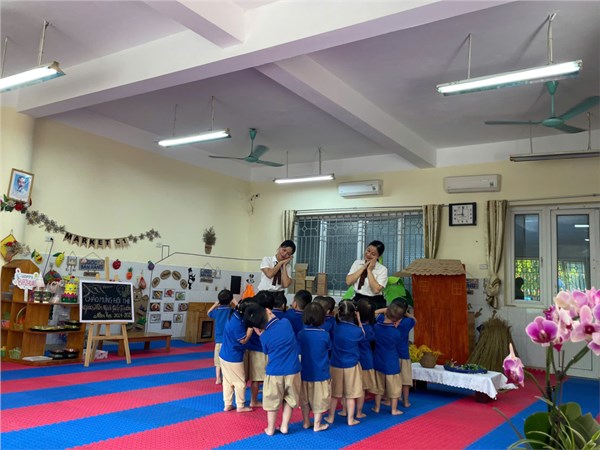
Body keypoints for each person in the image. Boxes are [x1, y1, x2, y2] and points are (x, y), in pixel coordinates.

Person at [244, 303, 302, 436]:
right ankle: (285, 426)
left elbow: (266, 351)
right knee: (290, 399)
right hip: (293, 370)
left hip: (274, 372)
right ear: (268, 311)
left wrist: (261, 335)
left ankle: (270, 428)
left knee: (272, 401)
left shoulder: (264, 337)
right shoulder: (286, 323)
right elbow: (277, 322)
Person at [326, 301, 365, 427]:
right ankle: (350, 419)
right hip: (351, 366)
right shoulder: (356, 330)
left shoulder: (335, 326)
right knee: (350, 395)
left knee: (334, 394)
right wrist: (359, 320)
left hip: (335, 364)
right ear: (354, 314)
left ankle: (330, 417)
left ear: (339, 313)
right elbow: (363, 334)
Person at [297, 302, 331, 432]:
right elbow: (328, 348)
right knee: (319, 400)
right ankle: (317, 424)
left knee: (304, 400)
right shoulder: (325, 335)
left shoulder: (301, 334)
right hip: (320, 374)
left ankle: (306, 422)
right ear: (322, 318)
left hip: (304, 373)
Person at [218, 298, 253, 412]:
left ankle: (227, 403)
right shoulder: (237, 323)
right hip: (233, 357)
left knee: (228, 381)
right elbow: (243, 340)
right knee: (240, 382)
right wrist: (251, 328)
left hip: (225, 354)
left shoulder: (234, 315)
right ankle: (240, 405)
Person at [371, 302, 404, 416]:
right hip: (391, 363)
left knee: (378, 387)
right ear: (398, 320)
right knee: (394, 387)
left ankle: (376, 407)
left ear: (386, 312)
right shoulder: (396, 332)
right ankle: (394, 410)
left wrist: (385, 309)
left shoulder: (376, 327)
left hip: (378, 360)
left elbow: (374, 313)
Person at [346, 240, 388, 310]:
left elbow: (376, 290)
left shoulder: (382, 269)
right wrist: (363, 267)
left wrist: (369, 270)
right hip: (358, 298)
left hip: (375, 301)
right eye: (368, 250)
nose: (368, 255)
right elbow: (348, 282)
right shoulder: (357, 263)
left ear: (378, 256)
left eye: (373, 254)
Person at [207, 289, 234, 384]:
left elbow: (208, 313)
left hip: (219, 339)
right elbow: (240, 311)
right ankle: (227, 378)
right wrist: (235, 303)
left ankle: (218, 378)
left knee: (218, 361)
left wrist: (215, 304)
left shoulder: (217, 311)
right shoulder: (231, 311)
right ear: (230, 300)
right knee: (228, 360)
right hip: (229, 340)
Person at [393, 299, 416, 408]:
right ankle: (406, 401)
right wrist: (407, 313)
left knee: (393, 379)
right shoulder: (407, 322)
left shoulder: (388, 321)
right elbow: (415, 320)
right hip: (404, 354)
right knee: (405, 380)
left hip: (392, 354)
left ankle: (391, 399)